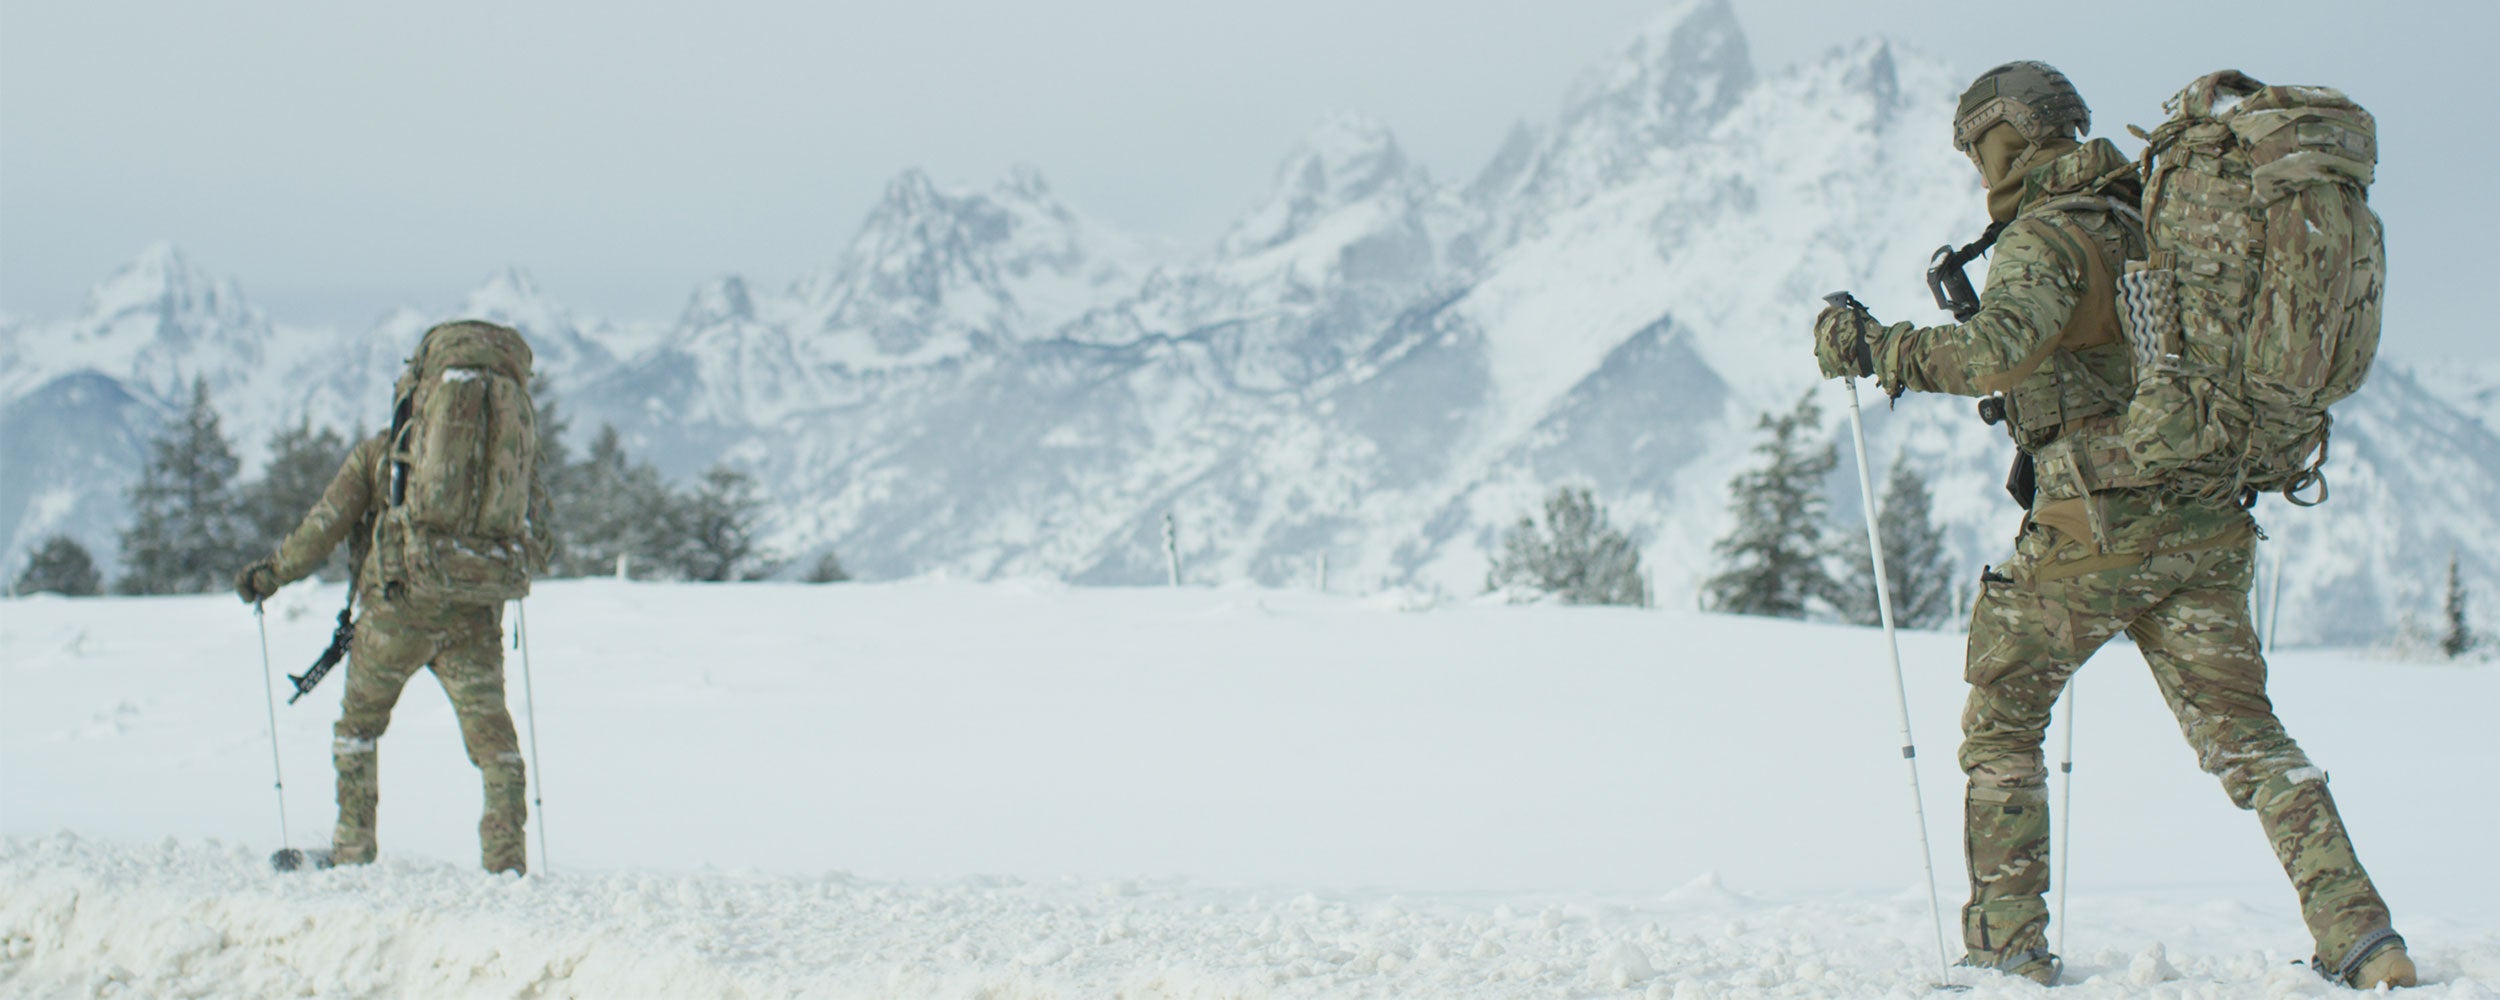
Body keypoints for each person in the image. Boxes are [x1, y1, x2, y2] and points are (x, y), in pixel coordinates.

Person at [1810, 61, 2411, 989]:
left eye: (1978, 148)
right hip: (2208, 521)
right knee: (2250, 740)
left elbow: (1991, 352)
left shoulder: (2049, 235)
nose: (1979, 167)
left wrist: (1874, 349)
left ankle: (2007, 952)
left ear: (2005, 139)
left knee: (2004, 723)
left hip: (2093, 533)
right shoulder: (2153, 220)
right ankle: (2366, 941)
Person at [236, 320, 550, 875]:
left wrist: (270, 575)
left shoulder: (382, 455)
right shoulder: (513, 459)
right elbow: (535, 532)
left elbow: (323, 528)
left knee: (359, 728)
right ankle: (506, 869)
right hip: (476, 618)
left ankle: (354, 850)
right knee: (495, 746)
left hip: (395, 612)